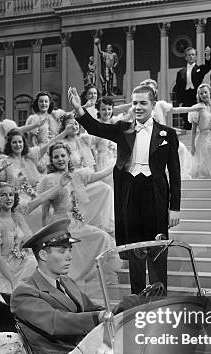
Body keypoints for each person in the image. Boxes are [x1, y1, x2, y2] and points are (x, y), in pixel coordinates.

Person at [69, 84, 180, 294]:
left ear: (153, 105)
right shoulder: (123, 129)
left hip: (155, 195)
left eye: (143, 103)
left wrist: (175, 208)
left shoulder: (168, 134)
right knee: (134, 249)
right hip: (130, 193)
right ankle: (137, 299)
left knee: (157, 249)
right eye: (135, 102)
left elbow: (174, 174)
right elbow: (95, 128)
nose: (138, 107)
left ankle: (158, 299)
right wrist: (80, 110)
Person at [10, 218, 106, 354]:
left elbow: (92, 308)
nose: (70, 257)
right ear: (43, 255)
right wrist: (98, 316)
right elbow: (56, 322)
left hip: (82, 352)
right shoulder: (24, 292)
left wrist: (121, 310)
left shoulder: (67, 282)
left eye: (70, 250)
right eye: (62, 251)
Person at [37, 141, 119, 294]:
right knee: (67, 249)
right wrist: (45, 235)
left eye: (63, 155)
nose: (60, 159)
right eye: (56, 157)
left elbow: (100, 174)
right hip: (59, 224)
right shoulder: (49, 180)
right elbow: (45, 212)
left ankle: (88, 277)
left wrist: (118, 162)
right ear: (52, 160)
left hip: (76, 222)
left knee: (102, 237)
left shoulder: (77, 176)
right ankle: (67, 282)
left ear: (69, 157)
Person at [113, 79, 200, 179]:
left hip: (162, 137)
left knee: (181, 148)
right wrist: (111, 108)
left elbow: (177, 109)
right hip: (145, 137)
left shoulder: (160, 104)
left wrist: (193, 109)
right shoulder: (140, 105)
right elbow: (125, 108)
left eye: (153, 89)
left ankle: (177, 174)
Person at [54, 112, 115, 233]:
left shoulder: (82, 141)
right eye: (71, 125)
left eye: (76, 124)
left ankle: (103, 223)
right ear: (65, 128)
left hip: (84, 177)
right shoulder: (62, 144)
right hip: (71, 180)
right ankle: (84, 221)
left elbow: (89, 163)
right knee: (103, 188)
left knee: (106, 188)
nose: (75, 127)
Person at [173, 46, 211, 129]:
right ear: (186, 57)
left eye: (193, 55)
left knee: (199, 120)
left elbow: (208, 66)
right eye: (189, 55)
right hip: (186, 99)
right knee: (187, 122)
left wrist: (208, 56)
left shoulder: (200, 69)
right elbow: (178, 89)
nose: (191, 56)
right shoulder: (180, 72)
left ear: (196, 57)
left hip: (197, 98)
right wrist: (179, 102)